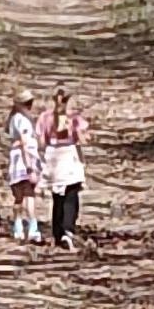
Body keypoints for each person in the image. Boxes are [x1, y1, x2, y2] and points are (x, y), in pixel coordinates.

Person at [42, 87, 90, 248]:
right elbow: (83, 140)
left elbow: (42, 141)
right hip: (70, 156)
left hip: (53, 156)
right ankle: (68, 229)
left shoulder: (45, 118)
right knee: (71, 194)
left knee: (57, 197)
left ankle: (57, 233)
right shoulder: (75, 119)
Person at [6, 90, 44, 242]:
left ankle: (18, 227)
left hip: (16, 159)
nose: (30, 106)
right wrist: (30, 166)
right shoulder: (22, 120)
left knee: (19, 197)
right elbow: (24, 143)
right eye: (28, 103)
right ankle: (32, 228)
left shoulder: (15, 119)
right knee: (28, 195)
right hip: (24, 159)